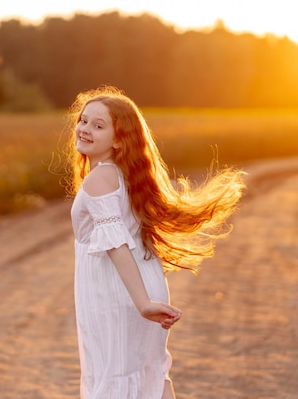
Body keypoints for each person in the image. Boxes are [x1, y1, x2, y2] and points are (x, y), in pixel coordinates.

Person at [66, 86, 244, 399]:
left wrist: (143, 303)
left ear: (119, 139)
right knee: (148, 373)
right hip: (140, 285)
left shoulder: (101, 177)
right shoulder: (126, 175)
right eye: (83, 120)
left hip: (119, 291)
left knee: (115, 381)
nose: (84, 129)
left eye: (98, 125)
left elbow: (116, 245)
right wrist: (145, 298)